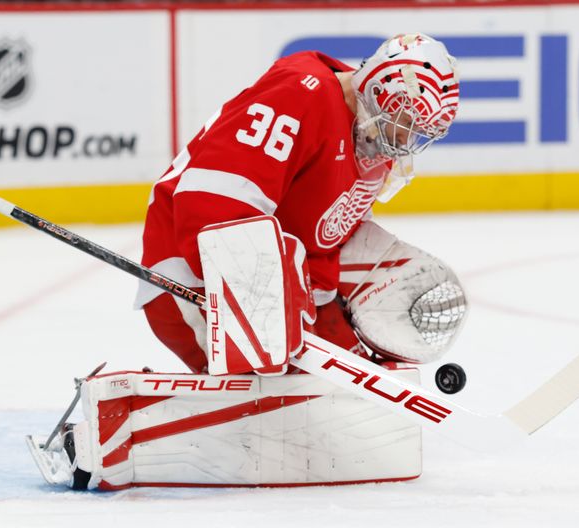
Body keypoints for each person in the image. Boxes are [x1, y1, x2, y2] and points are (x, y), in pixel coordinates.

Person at [134, 33, 461, 375]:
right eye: (406, 121)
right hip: (196, 280)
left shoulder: (372, 137)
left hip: (286, 286)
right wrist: (266, 305)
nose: (406, 139)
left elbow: (326, 237)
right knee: (297, 393)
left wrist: (330, 318)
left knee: (348, 386)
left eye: (416, 130)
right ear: (382, 90)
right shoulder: (302, 93)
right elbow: (213, 201)